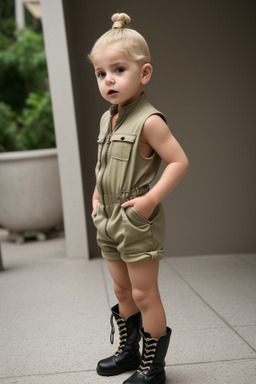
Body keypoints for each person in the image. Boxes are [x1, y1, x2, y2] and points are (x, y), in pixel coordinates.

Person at [89, 12, 189, 384]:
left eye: (118, 69)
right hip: (108, 218)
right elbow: (103, 165)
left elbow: (179, 161)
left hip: (135, 216)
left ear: (144, 73)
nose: (108, 79)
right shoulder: (107, 119)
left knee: (145, 294)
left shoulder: (150, 121)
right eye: (101, 73)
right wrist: (97, 195)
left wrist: (150, 201)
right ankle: (129, 350)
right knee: (121, 288)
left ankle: (154, 366)